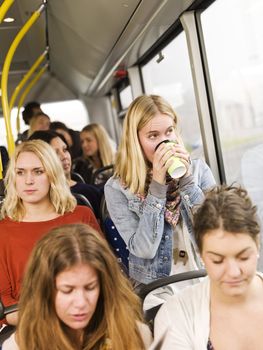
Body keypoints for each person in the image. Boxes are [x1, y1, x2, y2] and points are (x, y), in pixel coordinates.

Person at [104, 95, 216, 293]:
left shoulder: (199, 170)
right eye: (153, 136)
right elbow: (143, 250)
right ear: (136, 141)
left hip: (205, 274)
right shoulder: (117, 188)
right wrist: (157, 186)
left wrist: (187, 182)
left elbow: (216, 231)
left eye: (169, 132)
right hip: (157, 287)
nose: (165, 142)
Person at [2, 223, 152, 350]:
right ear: (44, 291)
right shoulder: (19, 346)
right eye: (67, 290)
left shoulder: (137, 335)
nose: (81, 303)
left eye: (90, 287)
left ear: (105, 287)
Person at [0, 140, 101, 327]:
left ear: (52, 175)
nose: (28, 180)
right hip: (31, 324)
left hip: (87, 315)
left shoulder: (82, 216)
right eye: (20, 172)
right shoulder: (3, 232)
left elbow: (104, 276)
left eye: (38, 171)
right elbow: (6, 307)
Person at [151, 185, 263, 350]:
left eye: (243, 257)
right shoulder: (176, 315)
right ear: (201, 255)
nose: (233, 272)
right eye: (217, 260)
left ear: (257, 244)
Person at [29, 130, 103, 219]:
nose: (64, 156)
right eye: (55, 153)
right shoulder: (32, 198)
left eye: (65, 149)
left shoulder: (88, 193)